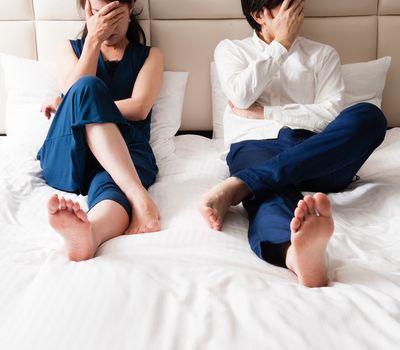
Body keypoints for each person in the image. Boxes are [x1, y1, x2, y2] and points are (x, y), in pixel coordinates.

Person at [200, 0, 387, 287]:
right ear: (259, 14)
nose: (296, 11)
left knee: (370, 117)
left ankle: (243, 183)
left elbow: (330, 116)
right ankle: (296, 256)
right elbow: (240, 96)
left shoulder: (322, 54)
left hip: (317, 151)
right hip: (255, 144)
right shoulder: (231, 50)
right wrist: (282, 44)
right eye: (286, 5)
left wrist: (266, 112)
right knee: (268, 195)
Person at [37, 0, 164, 262]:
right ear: (87, 12)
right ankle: (140, 197)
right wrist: (92, 41)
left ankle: (90, 233)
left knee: (113, 185)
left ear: (129, 9)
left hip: (125, 150)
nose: (106, 22)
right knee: (86, 87)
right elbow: (73, 91)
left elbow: (140, 107)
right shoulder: (69, 49)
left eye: (114, 13)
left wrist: (81, 105)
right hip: (69, 150)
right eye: (97, 13)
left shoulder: (150, 56)